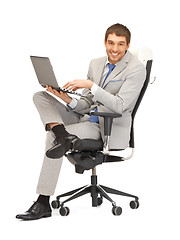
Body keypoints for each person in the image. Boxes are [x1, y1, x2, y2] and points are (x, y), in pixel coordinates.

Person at [16, 23, 146, 220]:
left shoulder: (136, 69)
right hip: (85, 116)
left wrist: (92, 86)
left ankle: (43, 203)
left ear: (127, 45)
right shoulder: (96, 63)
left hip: (104, 125)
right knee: (40, 96)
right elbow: (86, 104)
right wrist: (67, 98)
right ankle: (63, 135)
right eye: (111, 43)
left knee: (51, 139)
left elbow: (119, 106)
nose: (114, 49)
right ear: (104, 42)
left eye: (120, 44)